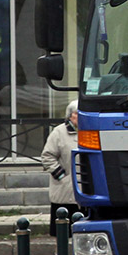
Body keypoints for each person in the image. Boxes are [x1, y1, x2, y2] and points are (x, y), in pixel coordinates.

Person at [41, 100, 78, 236]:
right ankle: (61, 251)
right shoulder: (59, 132)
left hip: (85, 187)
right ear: (70, 115)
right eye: (77, 113)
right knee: (63, 225)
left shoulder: (89, 131)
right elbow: (47, 156)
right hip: (65, 188)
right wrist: (62, 176)